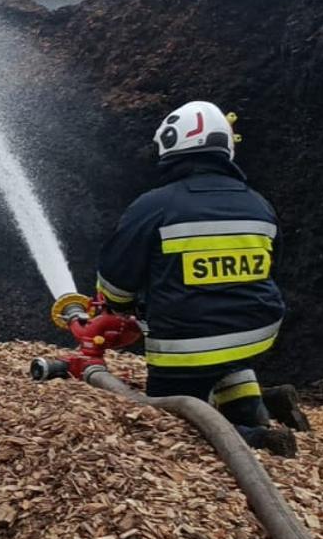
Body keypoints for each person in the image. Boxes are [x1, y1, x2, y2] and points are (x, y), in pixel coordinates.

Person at [94, 101, 308, 456]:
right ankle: (259, 407)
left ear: (171, 144)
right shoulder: (258, 203)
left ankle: (255, 440)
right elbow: (272, 267)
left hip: (188, 346)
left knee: (170, 418)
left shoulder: (154, 205)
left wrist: (118, 309)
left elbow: (117, 280)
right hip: (257, 332)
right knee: (227, 360)